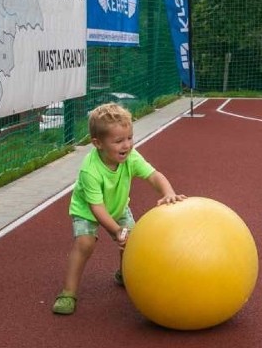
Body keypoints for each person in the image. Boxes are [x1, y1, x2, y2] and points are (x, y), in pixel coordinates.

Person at [52, 103, 186, 315]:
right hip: (87, 211)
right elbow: (96, 208)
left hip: (118, 207)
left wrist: (168, 192)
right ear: (98, 143)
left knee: (130, 240)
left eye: (129, 138)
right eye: (118, 141)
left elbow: (153, 176)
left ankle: (124, 274)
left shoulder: (130, 156)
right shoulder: (90, 170)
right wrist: (116, 231)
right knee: (85, 243)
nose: (127, 145)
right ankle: (68, 292)